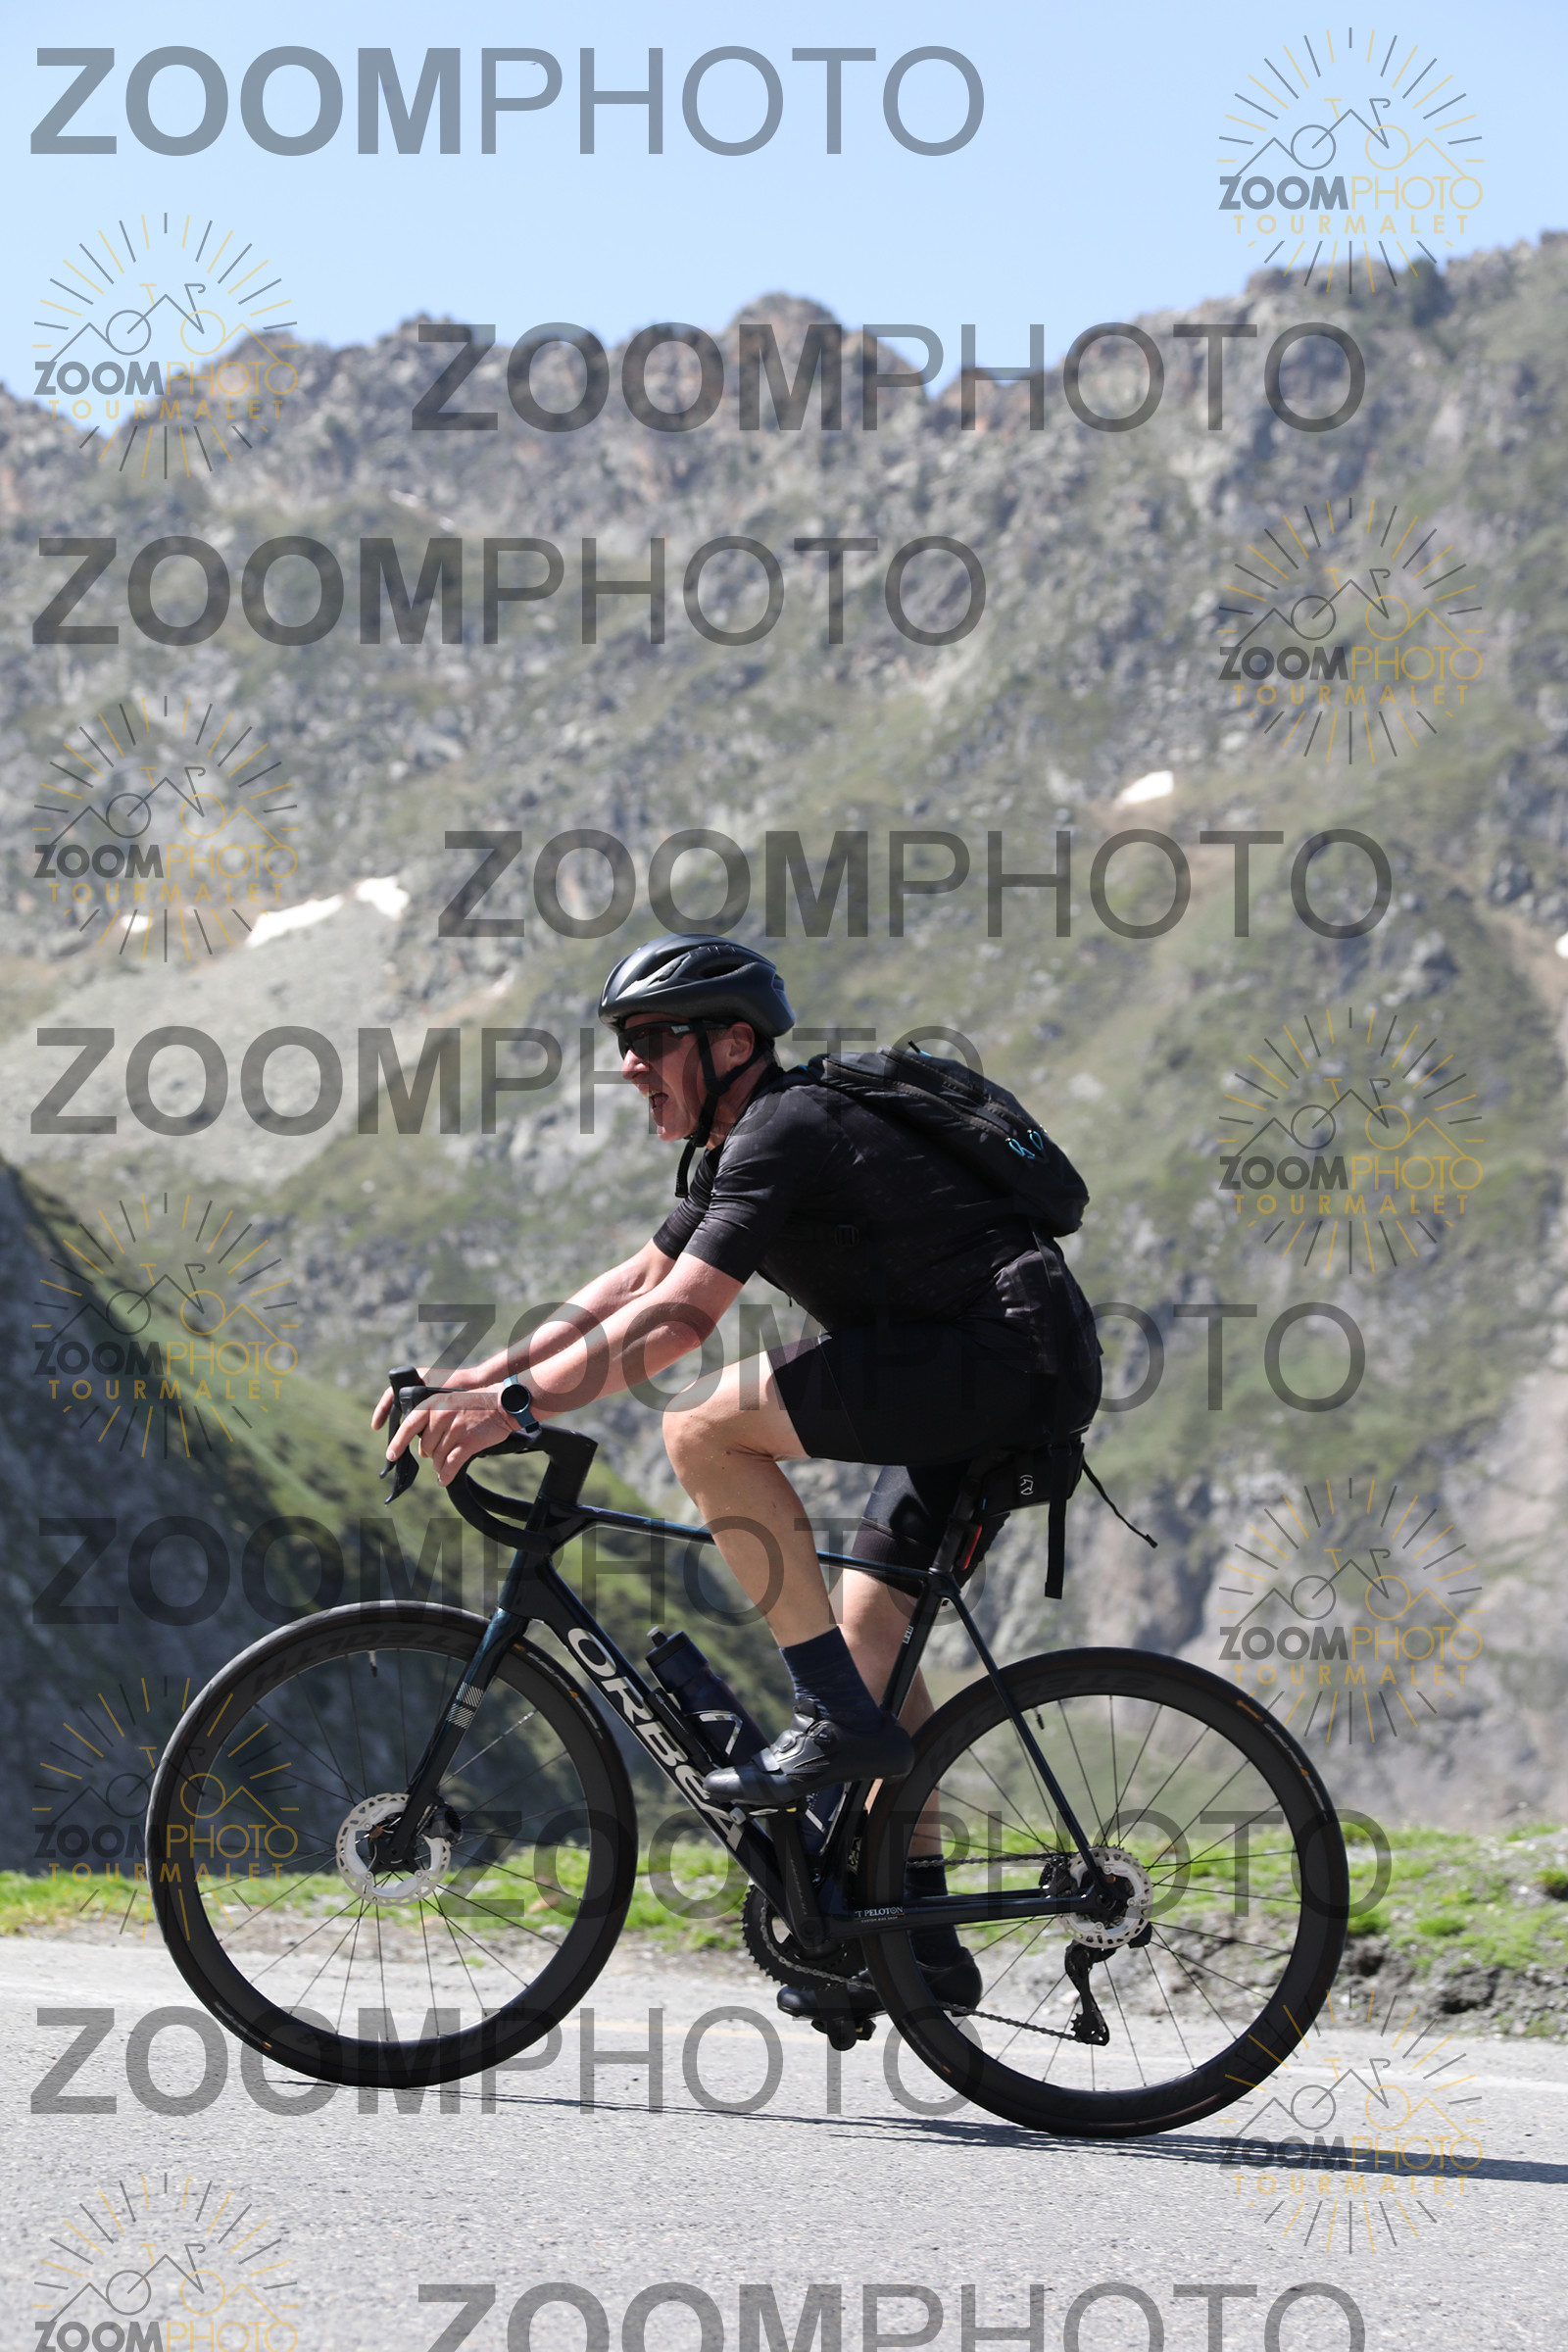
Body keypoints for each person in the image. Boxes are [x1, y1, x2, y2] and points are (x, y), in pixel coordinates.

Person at [376, 934, 1078, 2014]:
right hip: (978, 1368)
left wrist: (517, 1408)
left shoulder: (786, 1126)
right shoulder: (737, 1145)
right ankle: (917, 1943)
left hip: (1001, 1360)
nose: (630, 1065)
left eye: (653, 1039)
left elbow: (677, 1321)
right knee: (871, 1634)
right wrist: (478, 1377)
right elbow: (638, 1280)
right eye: (624, 1042)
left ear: (735, 1042)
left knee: (704, 1426)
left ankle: (830, 1716)